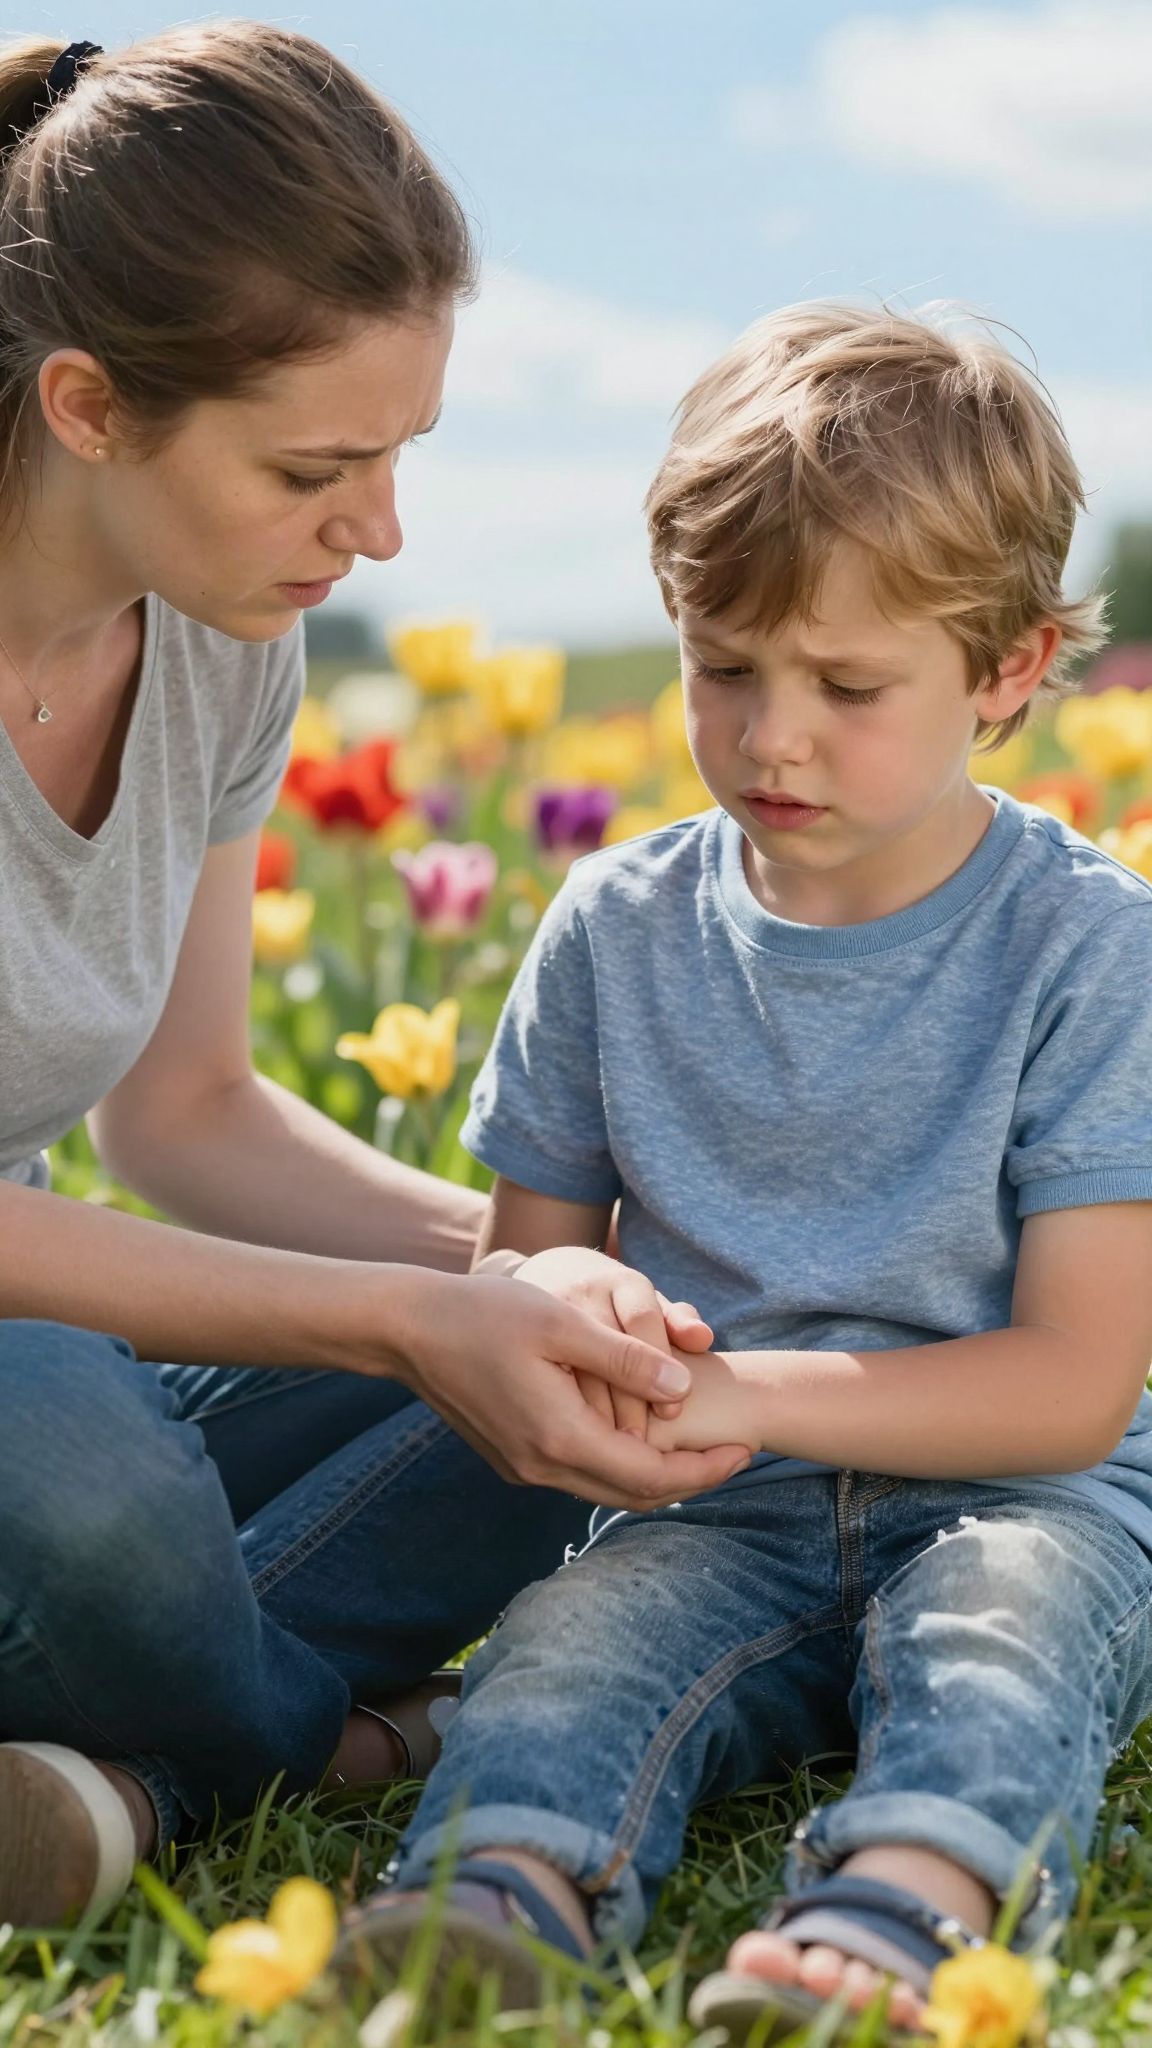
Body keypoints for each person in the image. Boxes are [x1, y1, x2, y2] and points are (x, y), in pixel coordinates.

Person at [0, 26, 750, 1930]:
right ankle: (324, 1742)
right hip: (40, 1399)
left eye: (403, 456)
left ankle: (125, 1739)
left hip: (50, 1336)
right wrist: (410, 1321)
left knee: (603, 1379)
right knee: (88, 1476)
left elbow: (189, 1116)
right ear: (89, 404)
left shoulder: (230, 646)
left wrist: (547, 1270)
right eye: (316, 468)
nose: (381, 532)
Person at [340, 301, 1152, 2042]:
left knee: (1001, 1650)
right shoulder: (615, 926)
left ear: (1009, 668)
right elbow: (527, 1268)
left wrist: (754, 1399)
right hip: (713, 1500)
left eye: (849, 688)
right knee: (565, 1655)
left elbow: (1077, 1390)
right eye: (724, 667)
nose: (770, 736)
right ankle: (498, 1893)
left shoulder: (1088, 951)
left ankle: (896, 1920)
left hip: (1012, 1495)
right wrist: (568, 1313)